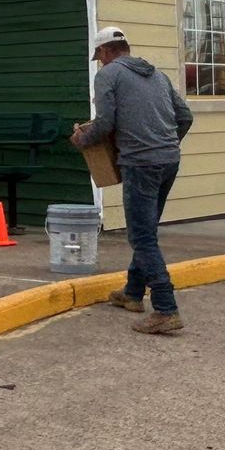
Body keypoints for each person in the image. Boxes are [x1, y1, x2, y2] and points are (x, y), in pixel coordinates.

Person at [71, 26, 194, 335]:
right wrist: (165, 145)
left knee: (141, 237)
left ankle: (166, 308)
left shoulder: (108, 75)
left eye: (99, 56)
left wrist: (82, 139)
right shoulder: (158, 75)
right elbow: (185, 116)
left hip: (140, 163)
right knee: (147, 228)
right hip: (169, 160)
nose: (99, 61)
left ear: (104, 51)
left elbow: (105, 122)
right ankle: (133, 293)